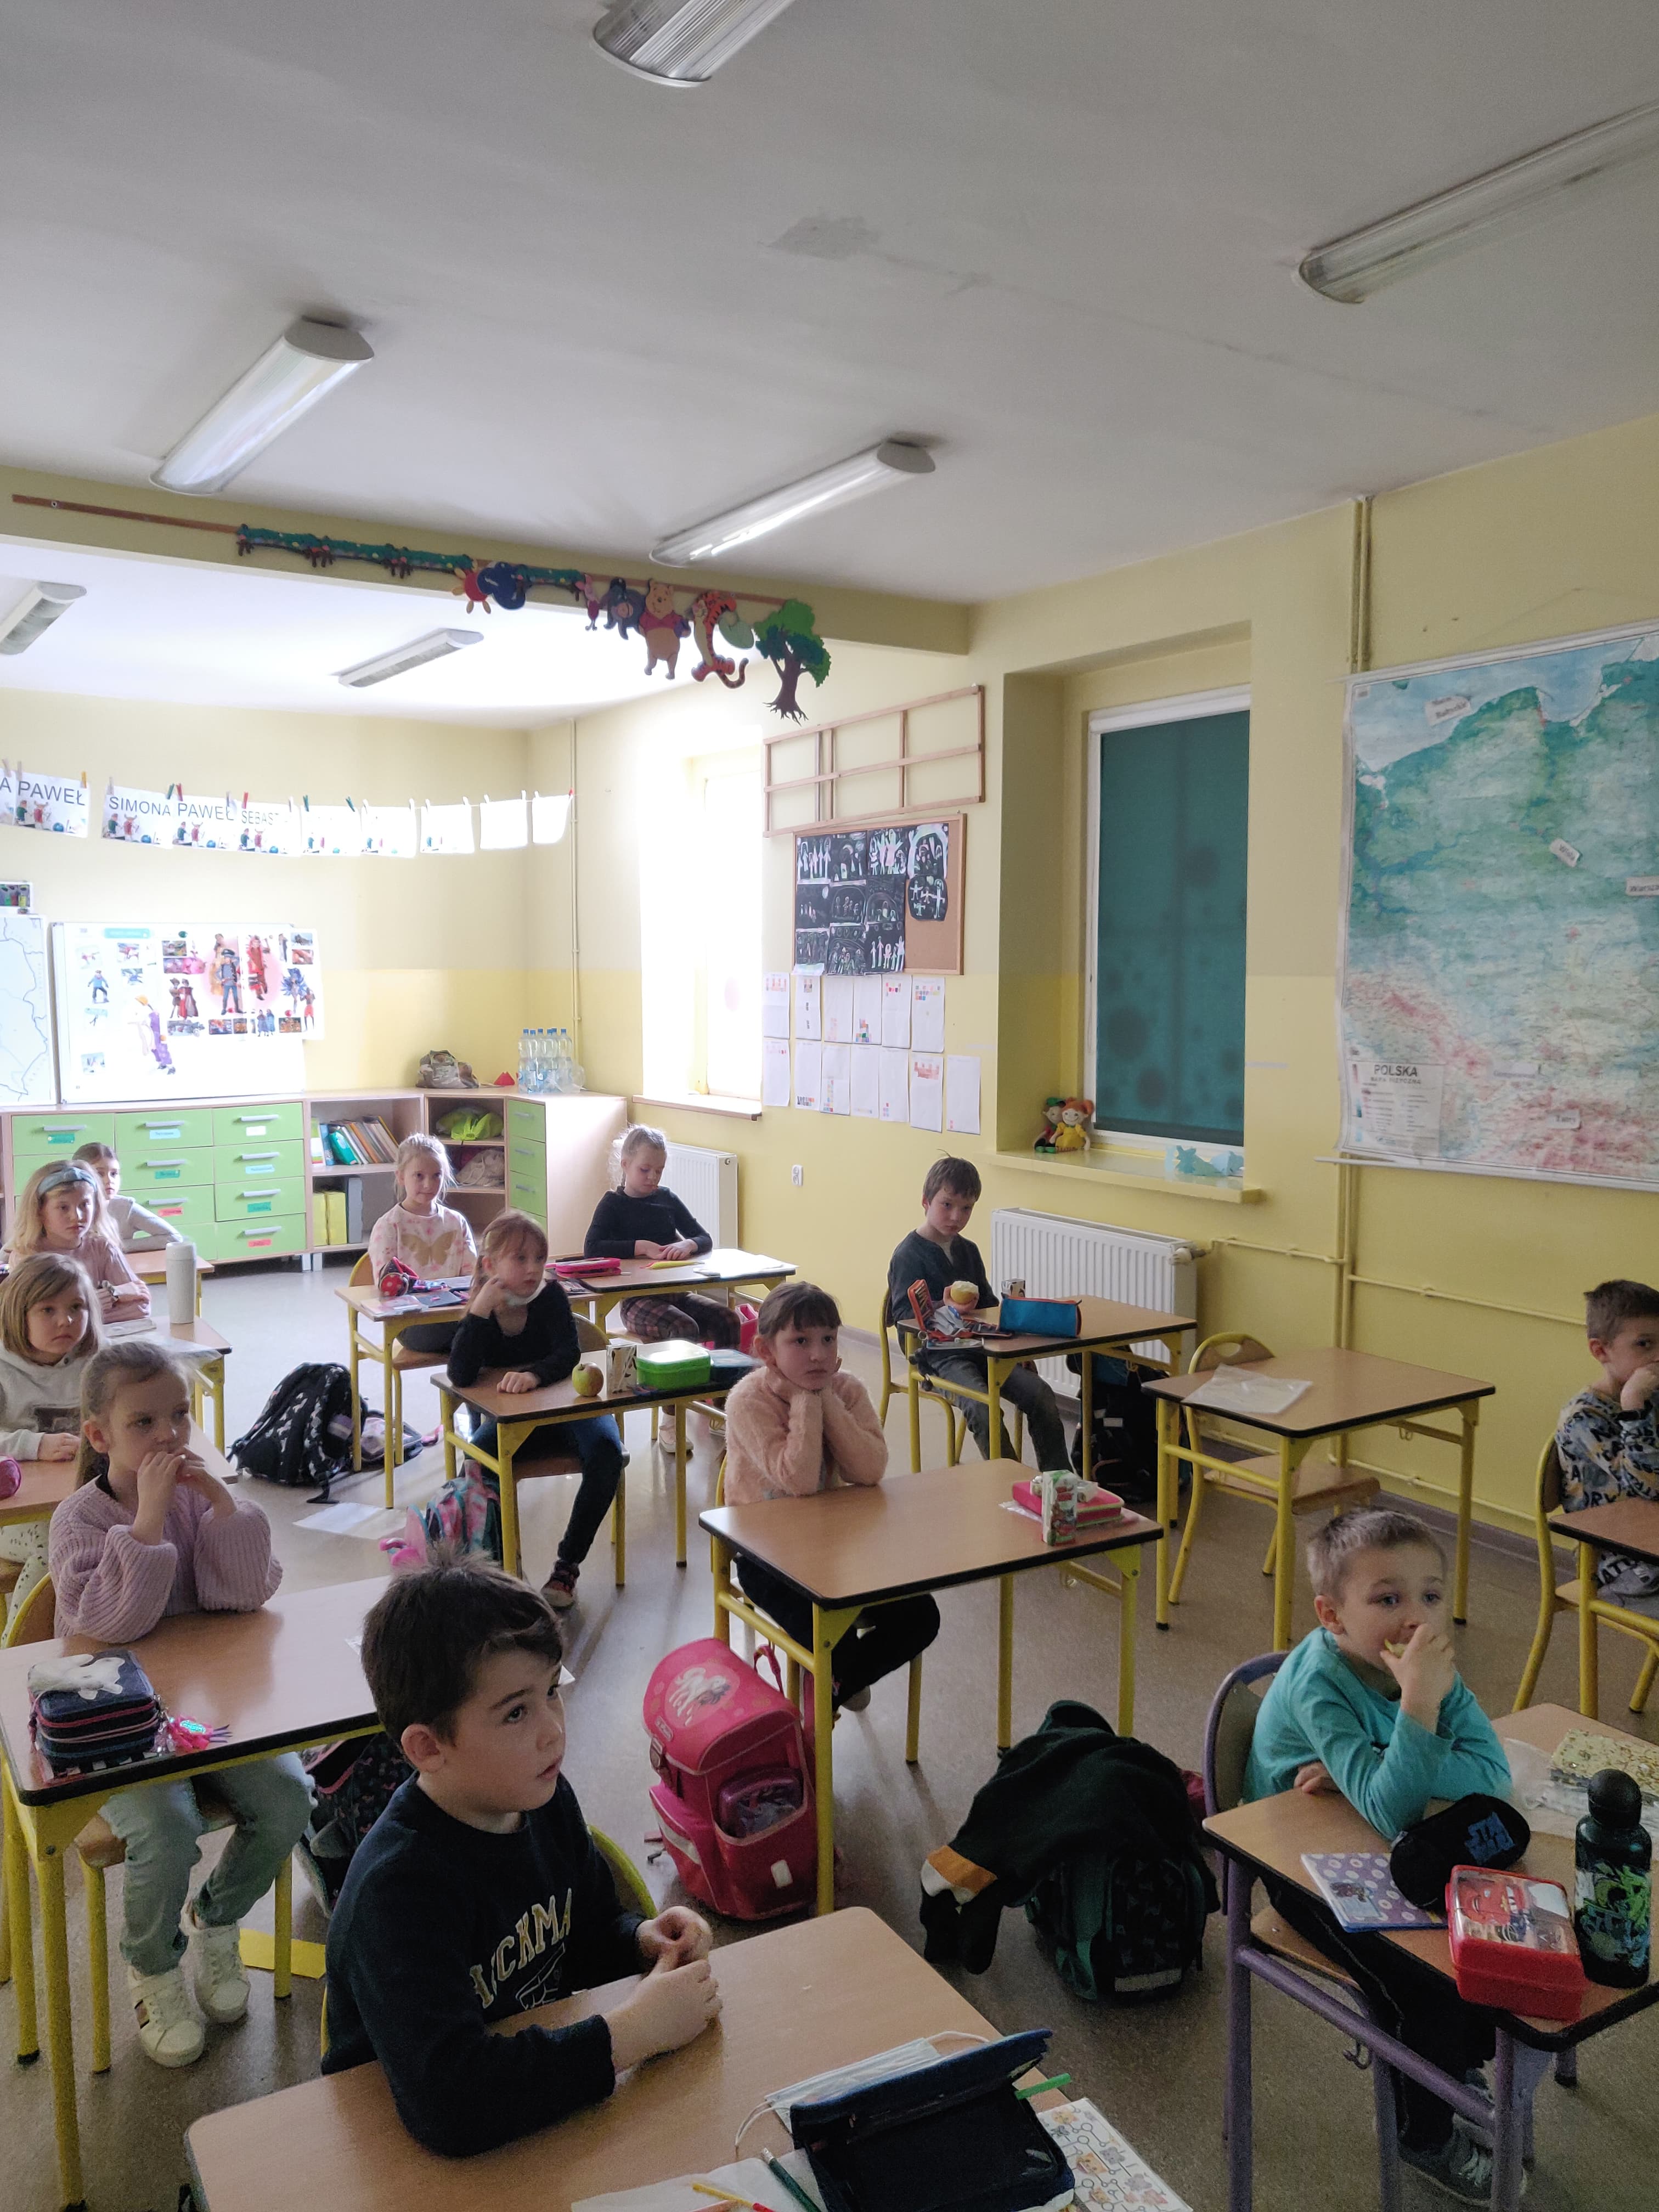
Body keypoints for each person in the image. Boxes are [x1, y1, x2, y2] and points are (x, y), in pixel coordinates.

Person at [321, 1560, 720, 2155]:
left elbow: (585, 1934)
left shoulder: (544, 1800)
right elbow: (448, 2102)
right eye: (516, 1712)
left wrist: (643, 1940)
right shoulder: (397, 1892)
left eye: (552, 1691)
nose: (553, 1729)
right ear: (428, 1748)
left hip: (536, 2116)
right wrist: (628, 2035)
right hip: (407, 2156)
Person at [47, 1342, 311, 2068]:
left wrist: (222, 1505)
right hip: (117, 1722)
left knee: (288, 1797)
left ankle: (216, 1917)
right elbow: (110, 1627)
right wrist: (149, 1523)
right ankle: (153, 1965)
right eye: (143, 1423)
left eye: (180, 1415)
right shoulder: (78, 1520)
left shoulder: (198, 1499)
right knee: (168, 1830)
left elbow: (243, 1598)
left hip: (204, 1710)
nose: (169, 1435)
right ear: (100, 1435)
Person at [1244, 1509, 1517, 2200]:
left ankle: (1446, 2066)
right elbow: (1394, 1807)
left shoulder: (1422, 1665)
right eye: (1388, 1598)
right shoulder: (1321, 1682)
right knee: (1416, 1984)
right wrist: (1417, 1715)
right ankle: (1422, 2136)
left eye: (1431, 1595)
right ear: (1331, 1615)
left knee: (1482, 1943)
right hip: (1298, 1869)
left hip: (1384, 1845)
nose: (1414, 1617)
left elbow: (1493, 1776)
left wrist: (1379, 1763)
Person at [724, 1282, 938, 1713]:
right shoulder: (748, 1400)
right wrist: (806, 1401)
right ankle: (834, 1681)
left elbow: (869, 1470)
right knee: (832, 1640)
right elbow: (799, 1480)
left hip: (837, 1548)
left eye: (828, 1339)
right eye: (800, 1342)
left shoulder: (847, 1389)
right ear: (767, 1351)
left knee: (921, 1617)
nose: (819, 1355)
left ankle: (832, 1687)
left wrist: (827, 1400)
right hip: (767, 1559)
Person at [449, 1210, 624, 1611]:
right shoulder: (485, 1307)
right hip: (517, 1421)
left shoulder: (550, 1296)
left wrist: (533, 1375)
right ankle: (497, 1571)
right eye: (521, 1258)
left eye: (540, 1259)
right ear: (490, 1265)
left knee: (607, 1453)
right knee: (476, 1465)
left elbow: (569, 1353)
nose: (533, 1269)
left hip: (568, 1409)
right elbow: (460, 1375)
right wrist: (479, 1311)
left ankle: (567, 1565)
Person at [886, 1155, 1066, 1471]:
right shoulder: (908, 1255)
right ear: (926, 1202)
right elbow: (904, 1318)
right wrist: (945, 1307)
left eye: (966, 1208)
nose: (956, 1217)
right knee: (984, 1410)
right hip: (937, 1356)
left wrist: (1016, 1346)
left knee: (1041, 1395)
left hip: (983, 1350)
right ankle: (1009, 1481)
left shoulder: (968, 1250)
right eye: (947, 1205)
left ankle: (1059, 1480)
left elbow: (988, 1306)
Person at [0, 1255, 103, 1628]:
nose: (66, 1321)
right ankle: (17, 1647)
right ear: (19, 1315)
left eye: (76, 1307)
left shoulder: (98, 1362)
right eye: (48, 1310)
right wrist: (34, 1445)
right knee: (56, 1541)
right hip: (15, 1518)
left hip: (81, 1499)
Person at [584, 1123, 740, 1349]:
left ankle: (726, 1372)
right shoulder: (612, 1204)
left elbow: (704, 1238)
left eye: (659, 1171)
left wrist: (689, 1244)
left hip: (676, 1295)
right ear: (626, 1165)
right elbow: (592, 1248)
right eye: (645, 1170)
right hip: (637, 1301)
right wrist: (641, 1247)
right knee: (683, 1327)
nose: (653, 1177)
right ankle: (684, 1374)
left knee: (729, 1319)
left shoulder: (666, 1199)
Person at [1556, 1278, 1659, 1613]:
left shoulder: (1653, 1396)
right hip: (1625, 1569)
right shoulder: (1584, 1419)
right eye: (1644, 1344)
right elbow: (1648, 1489)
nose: (1658, 1356)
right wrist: (1634, 1408)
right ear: (1601, 1351)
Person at [365, 1135, 477, 1351]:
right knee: (471, 1335)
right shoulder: (389, 1225)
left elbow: (471, 1276)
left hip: (454, 1313)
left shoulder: (456, 1221)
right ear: (401, 1177)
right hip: (410, 1321)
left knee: (490, 1324)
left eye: (437, 1176)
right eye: (419, 1176)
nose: (428, 1184)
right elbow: (388, 1286)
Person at [7, 1159, 150, 1319]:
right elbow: (35, 1320)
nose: (77, 1216)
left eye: (85, 1204)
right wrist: (109, 1296)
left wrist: (77, 1310)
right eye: (63, 1207)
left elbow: (141, 1306)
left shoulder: (103, 1248)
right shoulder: (27, 1257)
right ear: (40, 1211)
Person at [72, 1140, 182, 1251]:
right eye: (100, 1174)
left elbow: (173, 1238)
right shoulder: (69, 1208)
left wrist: (118, 1246)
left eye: (114, 1174)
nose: (109, 1180)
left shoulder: (125, 1207)